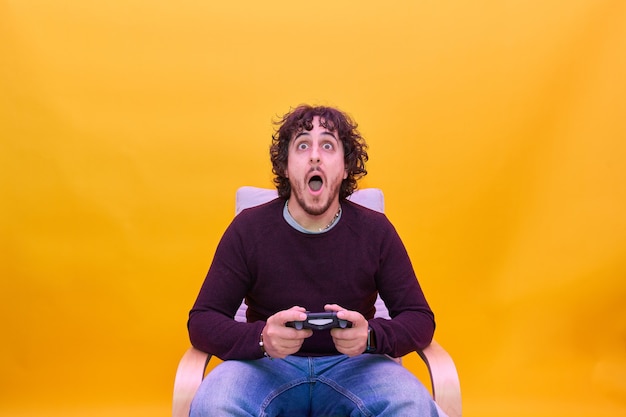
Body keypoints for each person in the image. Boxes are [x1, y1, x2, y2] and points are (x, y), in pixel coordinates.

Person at [188, 104, 441, 416]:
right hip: (265, 367)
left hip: (355, 366)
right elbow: (202, 320)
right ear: (285, 166)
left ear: (345, 167)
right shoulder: (248, 229)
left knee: (412, 405)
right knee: (213, 404)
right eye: (303, 145)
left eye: (328, 145)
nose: (315, 156)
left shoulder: (376, 231)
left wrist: (371, 336)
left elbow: (419, 318)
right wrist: (262, 339)